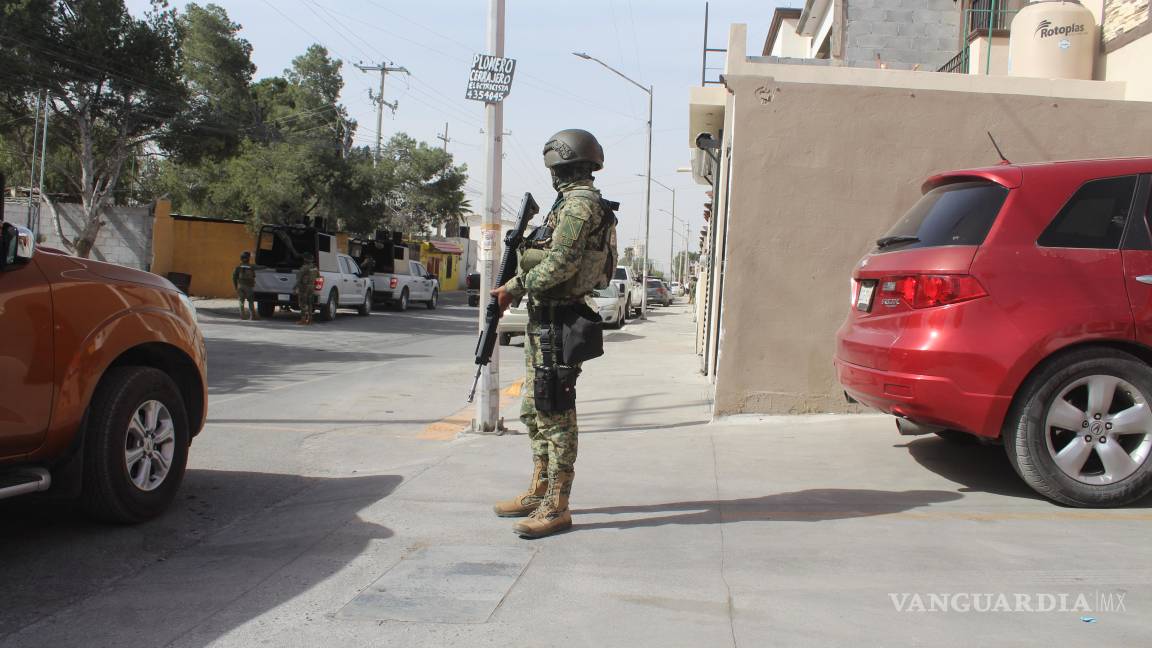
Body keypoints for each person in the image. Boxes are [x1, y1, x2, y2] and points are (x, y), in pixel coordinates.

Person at [490, 128, 613, 539]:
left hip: (559, 322)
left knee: (555, 410)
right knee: (534, 409)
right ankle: (539, 491)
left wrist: (512, 288)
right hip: (545, 319)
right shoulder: (568, 203)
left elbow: (560, 265)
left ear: (560, 166)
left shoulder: (579, 206)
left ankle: (557, 505)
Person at [232, 251, 259, 320]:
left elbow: (234, 277)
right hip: (249, 286)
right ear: (248, 258)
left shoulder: (238, 267)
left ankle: (242, 316)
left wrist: (235, 286)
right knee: (250, 301)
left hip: (240, 286)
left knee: (241, 301)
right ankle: (252, 316)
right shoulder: (251, 267)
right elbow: (259, 269)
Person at [296, 252, 318, 325]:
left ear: (305, 260)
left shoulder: (304, 267)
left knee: (303, 304)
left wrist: (294, 288)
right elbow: (318, 276)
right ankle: (310, 320)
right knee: (310, 303)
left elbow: (299, 279)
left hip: (304, 287)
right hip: (312, 287)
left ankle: (303, 320)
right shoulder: (315, 267)